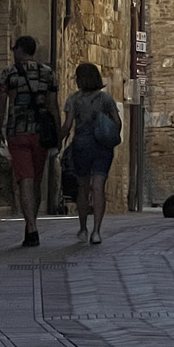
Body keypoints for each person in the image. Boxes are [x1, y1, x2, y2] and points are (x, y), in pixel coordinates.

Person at [0, 36, 59, 247]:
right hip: (41, 134)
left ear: (21, 50)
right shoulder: (48, 74)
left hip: (17, 132)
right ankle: (32, 222)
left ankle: (31, 228)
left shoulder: (9, 74)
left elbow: (0, 106)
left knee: (25, 180)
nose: (13, 53)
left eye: (15, 49)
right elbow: (53, 107)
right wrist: (57, 135)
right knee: (36, 181)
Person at [60, 62, 121, 245]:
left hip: (82, 146)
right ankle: (97, 231)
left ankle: (83, 228)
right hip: (102, 147)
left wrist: (57, 140)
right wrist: (109, 134)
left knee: (83, 187)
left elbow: (68, 125)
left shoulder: (73, 100)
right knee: (98, 186)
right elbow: (117, 122)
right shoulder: (106, 99)